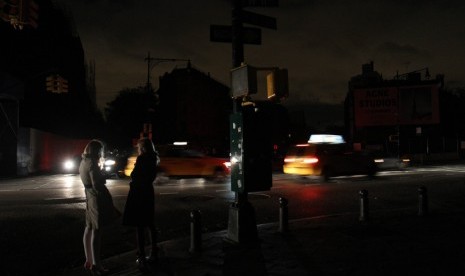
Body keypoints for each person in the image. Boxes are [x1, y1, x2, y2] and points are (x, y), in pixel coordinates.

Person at [80, 139, 119, 276]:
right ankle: (97, 265)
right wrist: (103, 178)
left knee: (89, 228)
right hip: (97, 198)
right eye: (100, 150)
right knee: (97, 231)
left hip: (89, 196)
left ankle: (88, 260)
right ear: (96, 151)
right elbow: (97, 184)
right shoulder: (92, 164)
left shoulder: (83, 162)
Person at [122, 137, 160, 272]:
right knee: (149, 222)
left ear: (142, 147)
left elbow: (134, 175)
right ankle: (154, 251)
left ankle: (142, 254)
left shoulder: (142, 158)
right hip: (148, 191)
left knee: (139, 224)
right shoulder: (154, 158)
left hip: (139, 193)